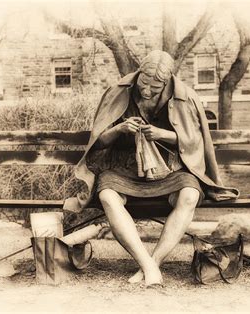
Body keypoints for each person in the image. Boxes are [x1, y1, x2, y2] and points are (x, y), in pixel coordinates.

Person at [65, 50, 238, 287]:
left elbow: (195, 142)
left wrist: (163, 134)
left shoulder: (184, 97)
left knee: (190, 195)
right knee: (106, 196)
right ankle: (147, 265)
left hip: (170, 170)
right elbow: (98, 142)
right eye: (143, 85)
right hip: (124, 168)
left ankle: (152, 264)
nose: (146, 92)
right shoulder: (118, 92)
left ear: (166, 82)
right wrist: (120, 129)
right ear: (138, 74)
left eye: (154, 89)